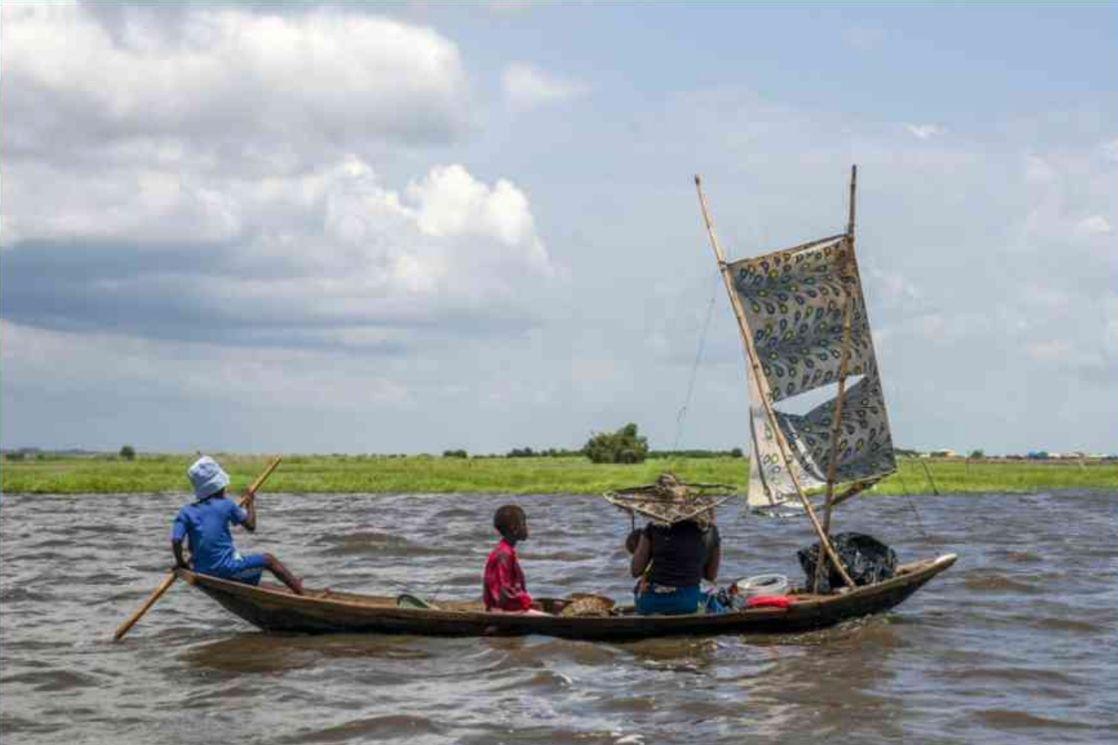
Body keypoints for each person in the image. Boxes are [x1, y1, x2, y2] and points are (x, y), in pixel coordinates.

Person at [171, 456, 304, 595]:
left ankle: (289, 588)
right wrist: (250, 503)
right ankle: (301, 592)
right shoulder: (226, 504)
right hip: (225, 568)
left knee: (250, 577)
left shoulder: (186, 511)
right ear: (220, 487)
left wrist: (181, 563)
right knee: (269, 560)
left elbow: (176, 540)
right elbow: (251, 526)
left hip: (202, 570)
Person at [629, 513, 721, 615]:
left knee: (641, 588)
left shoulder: (654, 526)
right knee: (712, 602)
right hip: (688, 604)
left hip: (649, 604)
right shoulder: (710, 530)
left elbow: (636, 571)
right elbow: (711, 575)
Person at [482, 504, 540, 613]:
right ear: (514, 528)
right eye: (523, 524)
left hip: (507, 608)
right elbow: (503, 592)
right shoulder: (503, 554)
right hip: (503, 611)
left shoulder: (506, 551)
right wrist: (527, 603)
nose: (527, 527)